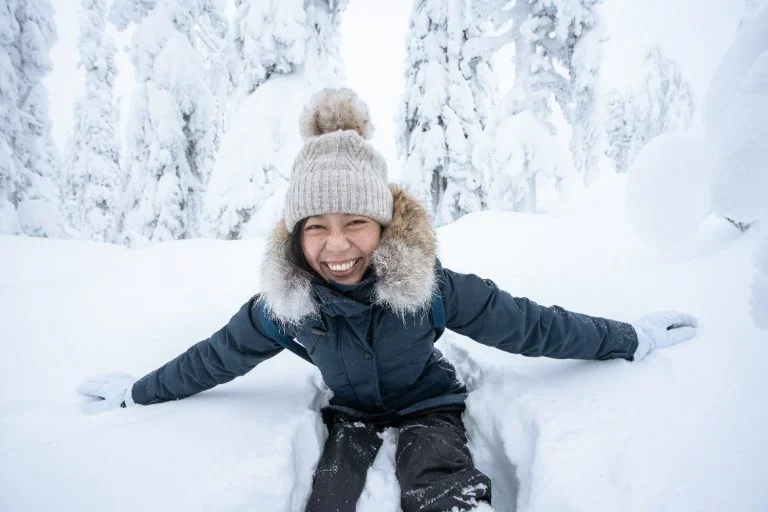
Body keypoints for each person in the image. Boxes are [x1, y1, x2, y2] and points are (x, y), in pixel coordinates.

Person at [78, 88, 699, 512]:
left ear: (383, 224)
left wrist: (628, 338)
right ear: (295, 236)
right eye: (316, 227)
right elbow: (216, 357)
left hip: (429, 402)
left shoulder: (430, 287)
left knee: (437, 471)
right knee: (330, 491)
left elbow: (533, 327)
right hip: (348, 412)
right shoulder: (286, 304)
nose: (337, 245)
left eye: (356, 223)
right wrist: (141, 391)